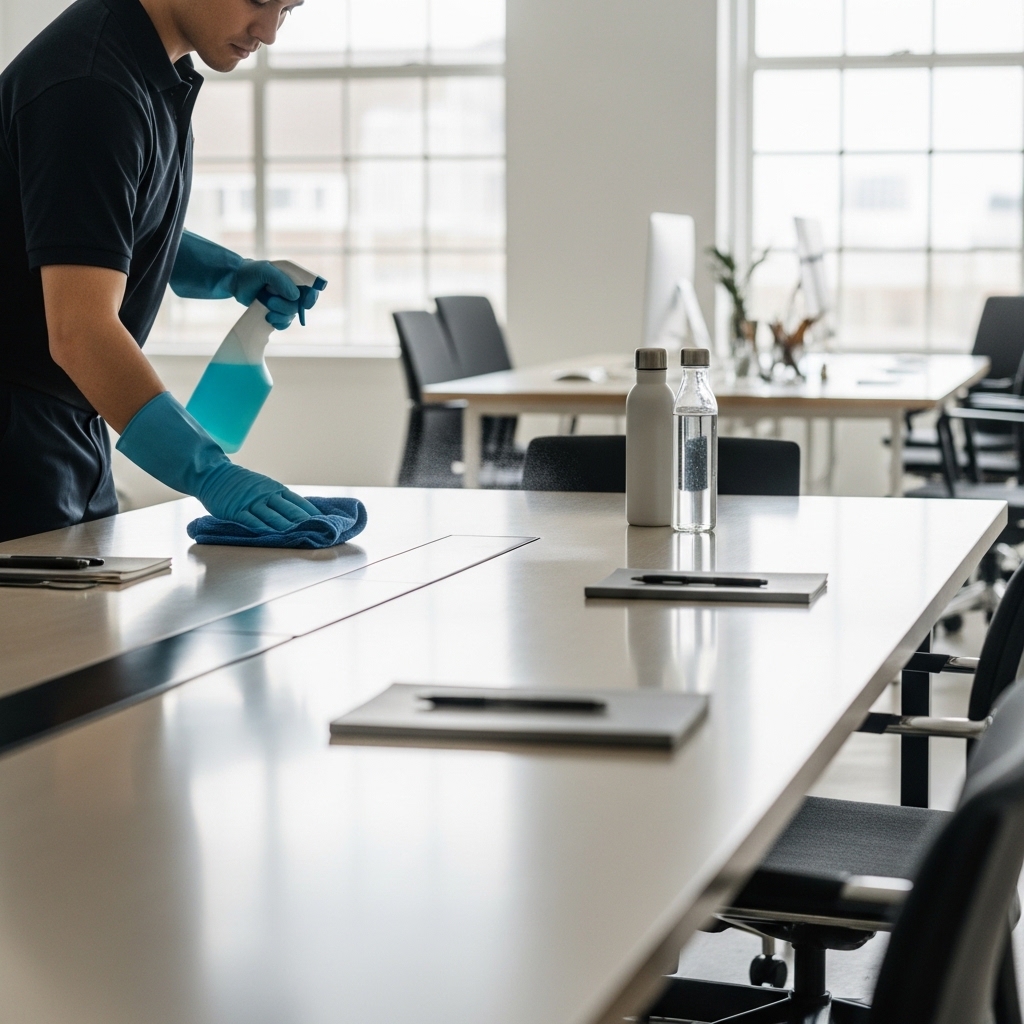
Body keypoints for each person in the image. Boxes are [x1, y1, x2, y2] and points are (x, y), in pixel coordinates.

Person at [0, 0, 321, 542]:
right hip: (19, 426)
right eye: (259, 1)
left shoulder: (148, 69)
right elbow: (80, 331)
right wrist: (207, 471)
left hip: (66, 420)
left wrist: (230, 273)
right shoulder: (93, 84)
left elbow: (99, 231)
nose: (268, 33)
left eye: (287, 9)